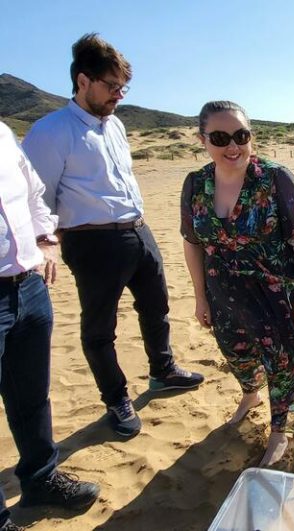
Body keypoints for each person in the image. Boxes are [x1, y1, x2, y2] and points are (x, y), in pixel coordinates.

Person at [21, 33, 203, 439]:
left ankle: (163, 370)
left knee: (157, 307)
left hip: (138, 231)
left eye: (124, 87)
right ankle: (115, 398)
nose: (119, 95)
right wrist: (47, 243)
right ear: (83, 81)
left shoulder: (116, 125)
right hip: (92, 242)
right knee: (100, 329)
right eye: (112, 86)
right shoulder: (50, 132)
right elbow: (37, 199)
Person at [180, 101, 294, 466]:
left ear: (251, 137)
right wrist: (201, 297)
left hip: (275, 292)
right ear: (203, 140)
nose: (232, 146)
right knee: (239, 354)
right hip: (223, 292)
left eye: (241, 136)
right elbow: (192, 242)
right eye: (220, 137)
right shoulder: (195, 184)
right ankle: (250, 394)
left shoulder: (275, 178)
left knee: (285, 363)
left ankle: (279, 430)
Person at [0, 120, 100, 531]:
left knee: (31, 395)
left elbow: (34, 192)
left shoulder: (3, 133)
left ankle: (40, 479)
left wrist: (45, 239)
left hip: (28, 286)